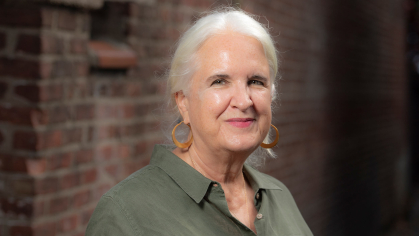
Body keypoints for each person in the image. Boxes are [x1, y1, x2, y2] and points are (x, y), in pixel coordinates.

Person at [86, 8, 313, 236]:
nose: (244, 101)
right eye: (220, 81)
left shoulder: (279, 195)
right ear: (183, 103)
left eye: (256, 81)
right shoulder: (125, 213)